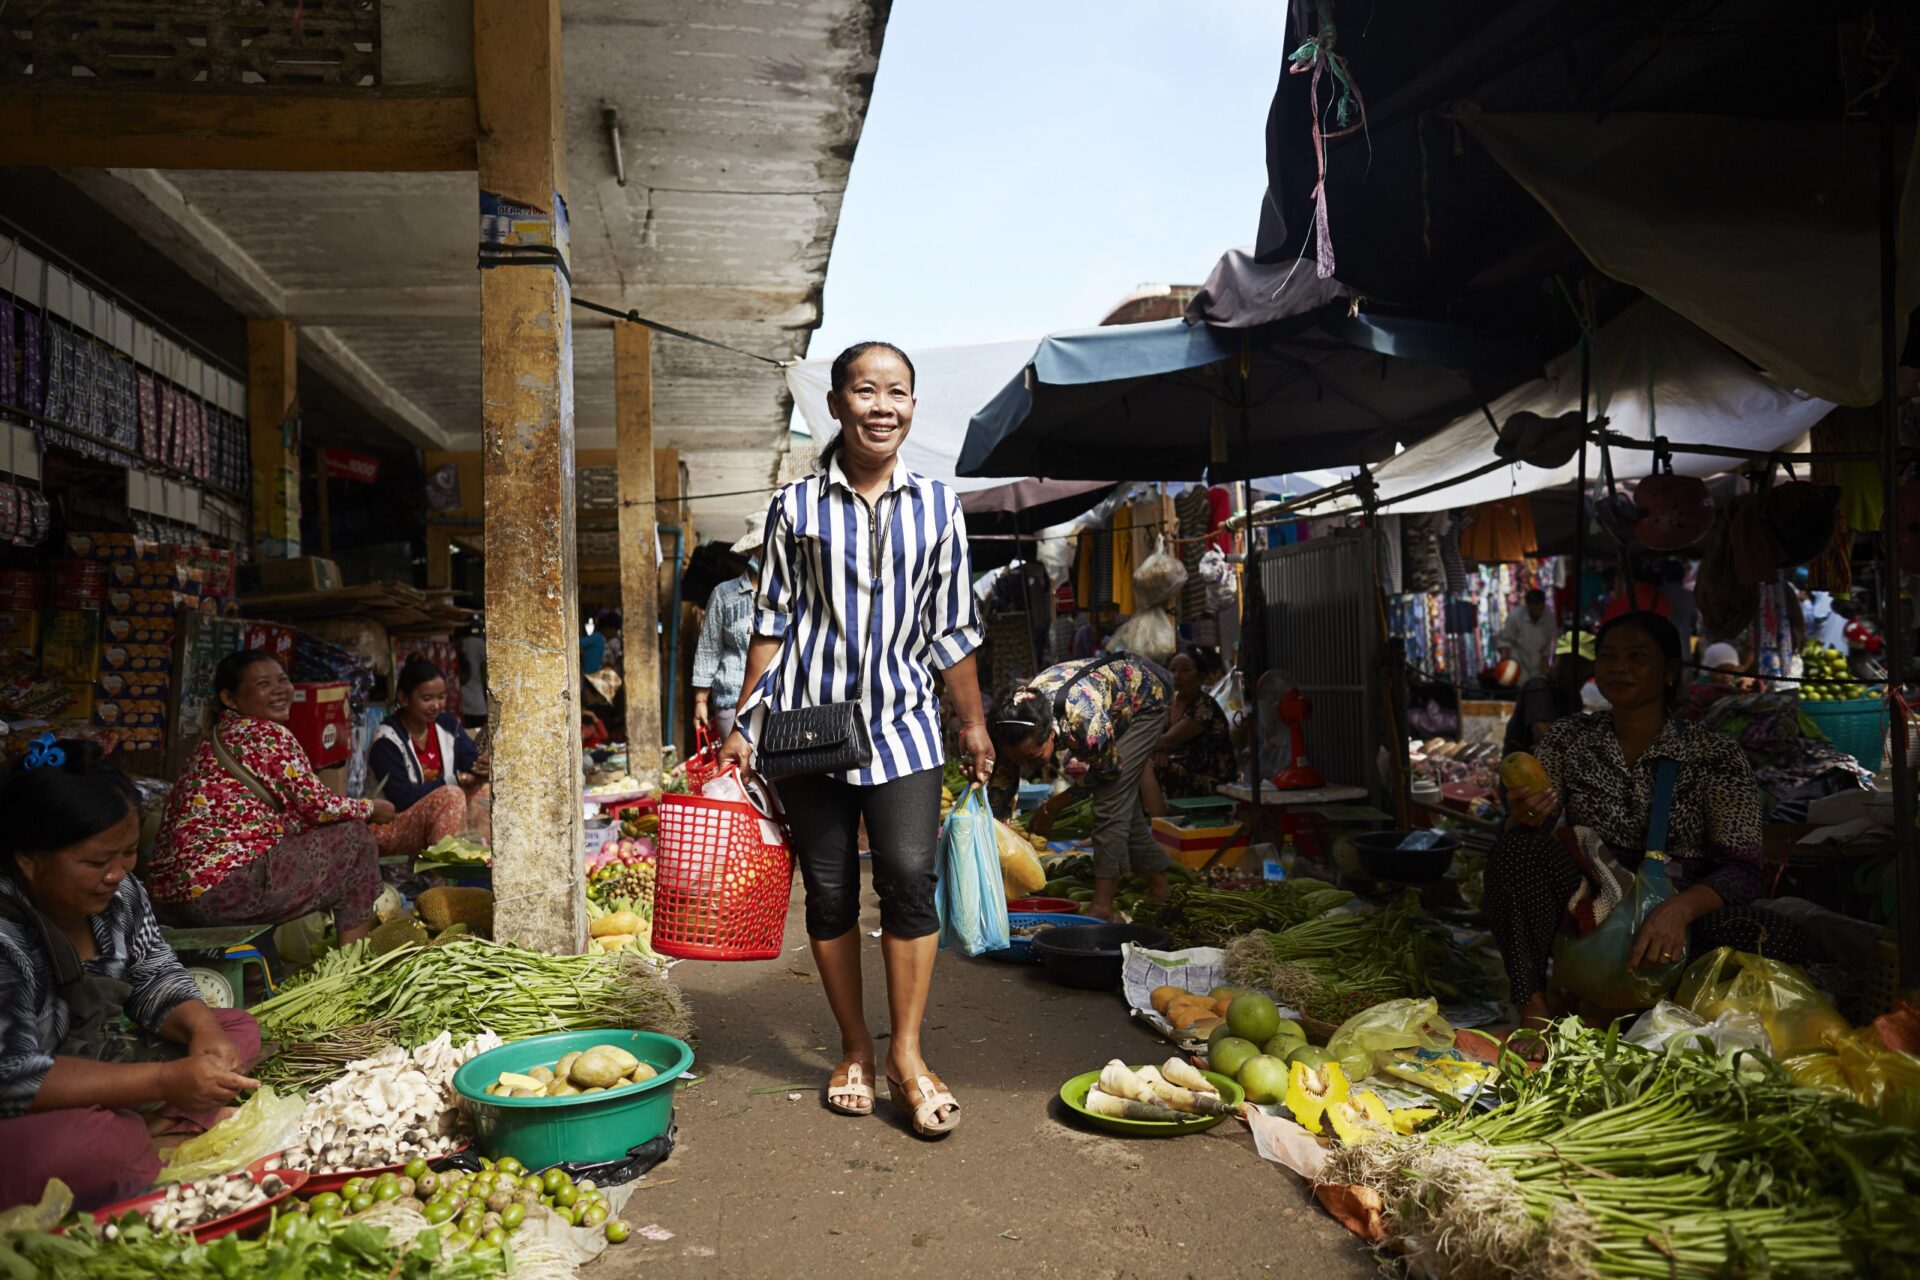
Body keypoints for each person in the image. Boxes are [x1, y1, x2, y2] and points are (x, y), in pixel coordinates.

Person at [717, 341, 991, 1138]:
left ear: (912, 406)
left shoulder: (939, 508)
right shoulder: (795, 508)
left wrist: (971, 724)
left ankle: (906, 1054)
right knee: (831, 892)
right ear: (835, 405)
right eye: (865, 391)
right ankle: (852, 1052)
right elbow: (770, 623)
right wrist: (743, 724)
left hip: (905, 726)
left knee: (909, 878)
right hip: (809, 730)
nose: (882, 406)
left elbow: (953, 629)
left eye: (897, 393)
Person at [1490, 612, 1808, 1028]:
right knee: (1513, 852)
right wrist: (1523, 815)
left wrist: (1677, 910)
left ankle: (1617, 1004)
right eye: (1608, 657)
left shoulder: (1713, 753)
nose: (1619, 667)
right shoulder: (1570, 739)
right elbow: (1530, 836)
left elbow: (1744, 871)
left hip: (1680, 916)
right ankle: (1535, 1013)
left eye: (1637, 656)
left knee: (1776, 936)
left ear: (1670, 673)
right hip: (1594, 900)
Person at [0, 738, 262, 1211]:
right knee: (90, 1144)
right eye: (97, 862)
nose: (118, 874)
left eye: (128, 853)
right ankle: (148, 1134)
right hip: (22, 1105)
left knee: (234, 1029)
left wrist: (202, 1031)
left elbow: (157, 973)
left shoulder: (120, 895)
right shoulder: (5, 933)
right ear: (29, 861)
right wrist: (163, 1082)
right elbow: (14, 1076)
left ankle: (145, 1131)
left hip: (90, 1060)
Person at [150, 652, 393, 940]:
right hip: (221, 889)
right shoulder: (267, 734)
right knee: (356, 838)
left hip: (171, 897)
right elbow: (318, 807)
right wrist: (370, 807)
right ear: (229, 699)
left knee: (271, 851)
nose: (279, 690)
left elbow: (289, 818)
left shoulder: (214, 739)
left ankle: (256, 975)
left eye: (283, 679)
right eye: (264, 684)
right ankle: (353, 962)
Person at [989, 653, 1175, 921]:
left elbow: (1107, 772)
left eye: (1033, 758)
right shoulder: (1010, 729)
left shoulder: (1083, 722)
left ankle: (1101, 907)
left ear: (1051, 734)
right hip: (1107, 698)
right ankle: (1160, 887)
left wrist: (1054, 806)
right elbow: (1001, 796)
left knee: (1109, 804)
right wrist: (999, 844)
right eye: (1018, 760)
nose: (1026, 765)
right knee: (1123, 804)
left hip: (1147, 699)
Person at [367, 659, 490, 854]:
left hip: (437, 816)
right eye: (427, 699)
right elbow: (400, 798)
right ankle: (444, 869)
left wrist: (482, 765)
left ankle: (479, 865)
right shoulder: (386, 741)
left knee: (483, 790)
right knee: (451, 794)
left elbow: (469, 761)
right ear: (404, 698)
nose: (436, 705)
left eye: (441, 697)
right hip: (393, 823)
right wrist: (455, 780)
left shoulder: (447, 725)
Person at [692, 512, 766, 743]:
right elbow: (709, 649)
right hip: (731, 698)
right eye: (761, 547)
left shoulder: (788, 594)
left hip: (777, 701)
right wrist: (701, 701)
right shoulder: (724, 594)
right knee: (737, 774)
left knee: (774, 776)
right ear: (751, 551)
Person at [1154, 648, 1236, 800]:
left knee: (1147, 766)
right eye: (1172, 670)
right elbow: (1159, 740)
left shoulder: (1205, 706)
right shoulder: (1168, 704)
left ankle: (1157, 818)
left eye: (1185, 670)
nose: (1177, 676)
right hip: (1179, 769)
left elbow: (1168, 739)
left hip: (1209, 780)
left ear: (1201, 676)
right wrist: (1159, 752)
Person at [1502, 632, 1597, 755]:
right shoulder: (1538, 687)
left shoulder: (1572, 696)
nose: (1570, 671)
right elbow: (1544, 738)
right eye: (1566, 662)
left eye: (1581, 667)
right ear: (1557, 659)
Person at [1497, 588, 1556, 684]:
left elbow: (1546, 648)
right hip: (1518, 662)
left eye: (1540, 609)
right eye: (1534, 609)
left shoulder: (1549, 619)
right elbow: (1505, 641)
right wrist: (1505, 664)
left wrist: (1545, 669)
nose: (1537, 612)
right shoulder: (1515, 617)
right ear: (1527, 606)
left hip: (1537, 665)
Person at [458, 630, 488, 729]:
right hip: (477, 701)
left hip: (462, 700)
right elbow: (485, 669)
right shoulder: (479, 643)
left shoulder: (459, 643)